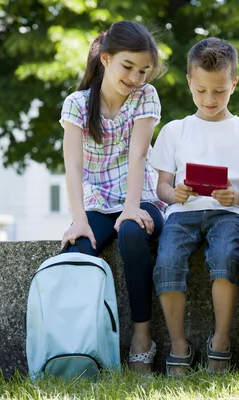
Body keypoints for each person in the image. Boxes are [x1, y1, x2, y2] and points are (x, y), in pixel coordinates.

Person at [149, 37, 239, 377]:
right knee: (168, 261)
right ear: (190, 82)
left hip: (229, 214)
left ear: (234, 84)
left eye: (219, 91)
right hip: (182, 213)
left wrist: (236, 197)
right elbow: (161, 186)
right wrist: (173, 193)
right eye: (201, 90)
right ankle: (179, 345)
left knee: (225, 258)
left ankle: (220, 341)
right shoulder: (175, 131)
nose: (209, 99)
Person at [59, 20, 166, 373]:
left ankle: (141, 339)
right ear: (105, 58)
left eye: (143, 70)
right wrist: (78, 219)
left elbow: (138, 156)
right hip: (97, 202)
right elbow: (72, 167)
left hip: (141, 195)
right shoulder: (77, 105)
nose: (136, 77)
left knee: (133, 233)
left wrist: (132, 208)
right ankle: (81, 349)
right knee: (78, 251)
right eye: (128, 67)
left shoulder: (145, 97)